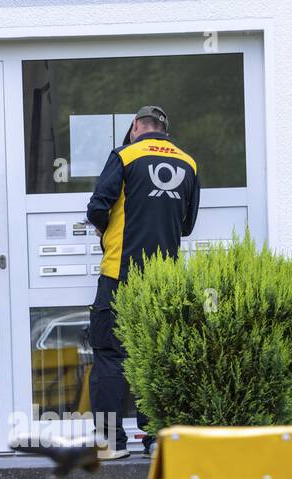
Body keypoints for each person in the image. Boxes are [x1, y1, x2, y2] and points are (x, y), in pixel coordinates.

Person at [85, 104, 200, 459]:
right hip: (163, 281)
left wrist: (110, 232)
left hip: (119, 275)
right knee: (156, 357)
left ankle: (111, 442)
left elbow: (96, 208)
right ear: (164, 130)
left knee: (108, 355)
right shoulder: (189, 163)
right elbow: (187, 225)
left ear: (136, 126)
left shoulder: (124, 155)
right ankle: (155, 441)